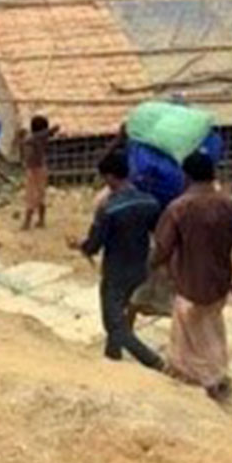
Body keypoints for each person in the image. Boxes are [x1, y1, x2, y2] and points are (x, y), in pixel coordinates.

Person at [151, 152, 232, 401]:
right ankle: (216, 374)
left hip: (188, 282)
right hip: (220, 282)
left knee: (190, 338)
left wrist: (152, 267)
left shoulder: (178, 208)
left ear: (185, 175)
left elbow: (163, 249)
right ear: (213, 173)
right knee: (212, 330)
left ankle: (207, 381)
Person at [79, 150, 164, 370]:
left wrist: (82, 246)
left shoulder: (108, 209)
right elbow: (160, 234)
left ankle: (152, 361)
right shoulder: (150, 202)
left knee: (114, 323)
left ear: (109, 177)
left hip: (116, 270)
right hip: (140, 267)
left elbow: (94, 245)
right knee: (119, 315)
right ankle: (112, 356)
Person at [18, 115, 59, 231]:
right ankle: (41, 220)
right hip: (37, 168)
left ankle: (27, 223)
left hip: (36, 170)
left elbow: (34, 137)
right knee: (39, 196)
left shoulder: (36, 139)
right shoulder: (38, 138)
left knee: (32, 196)